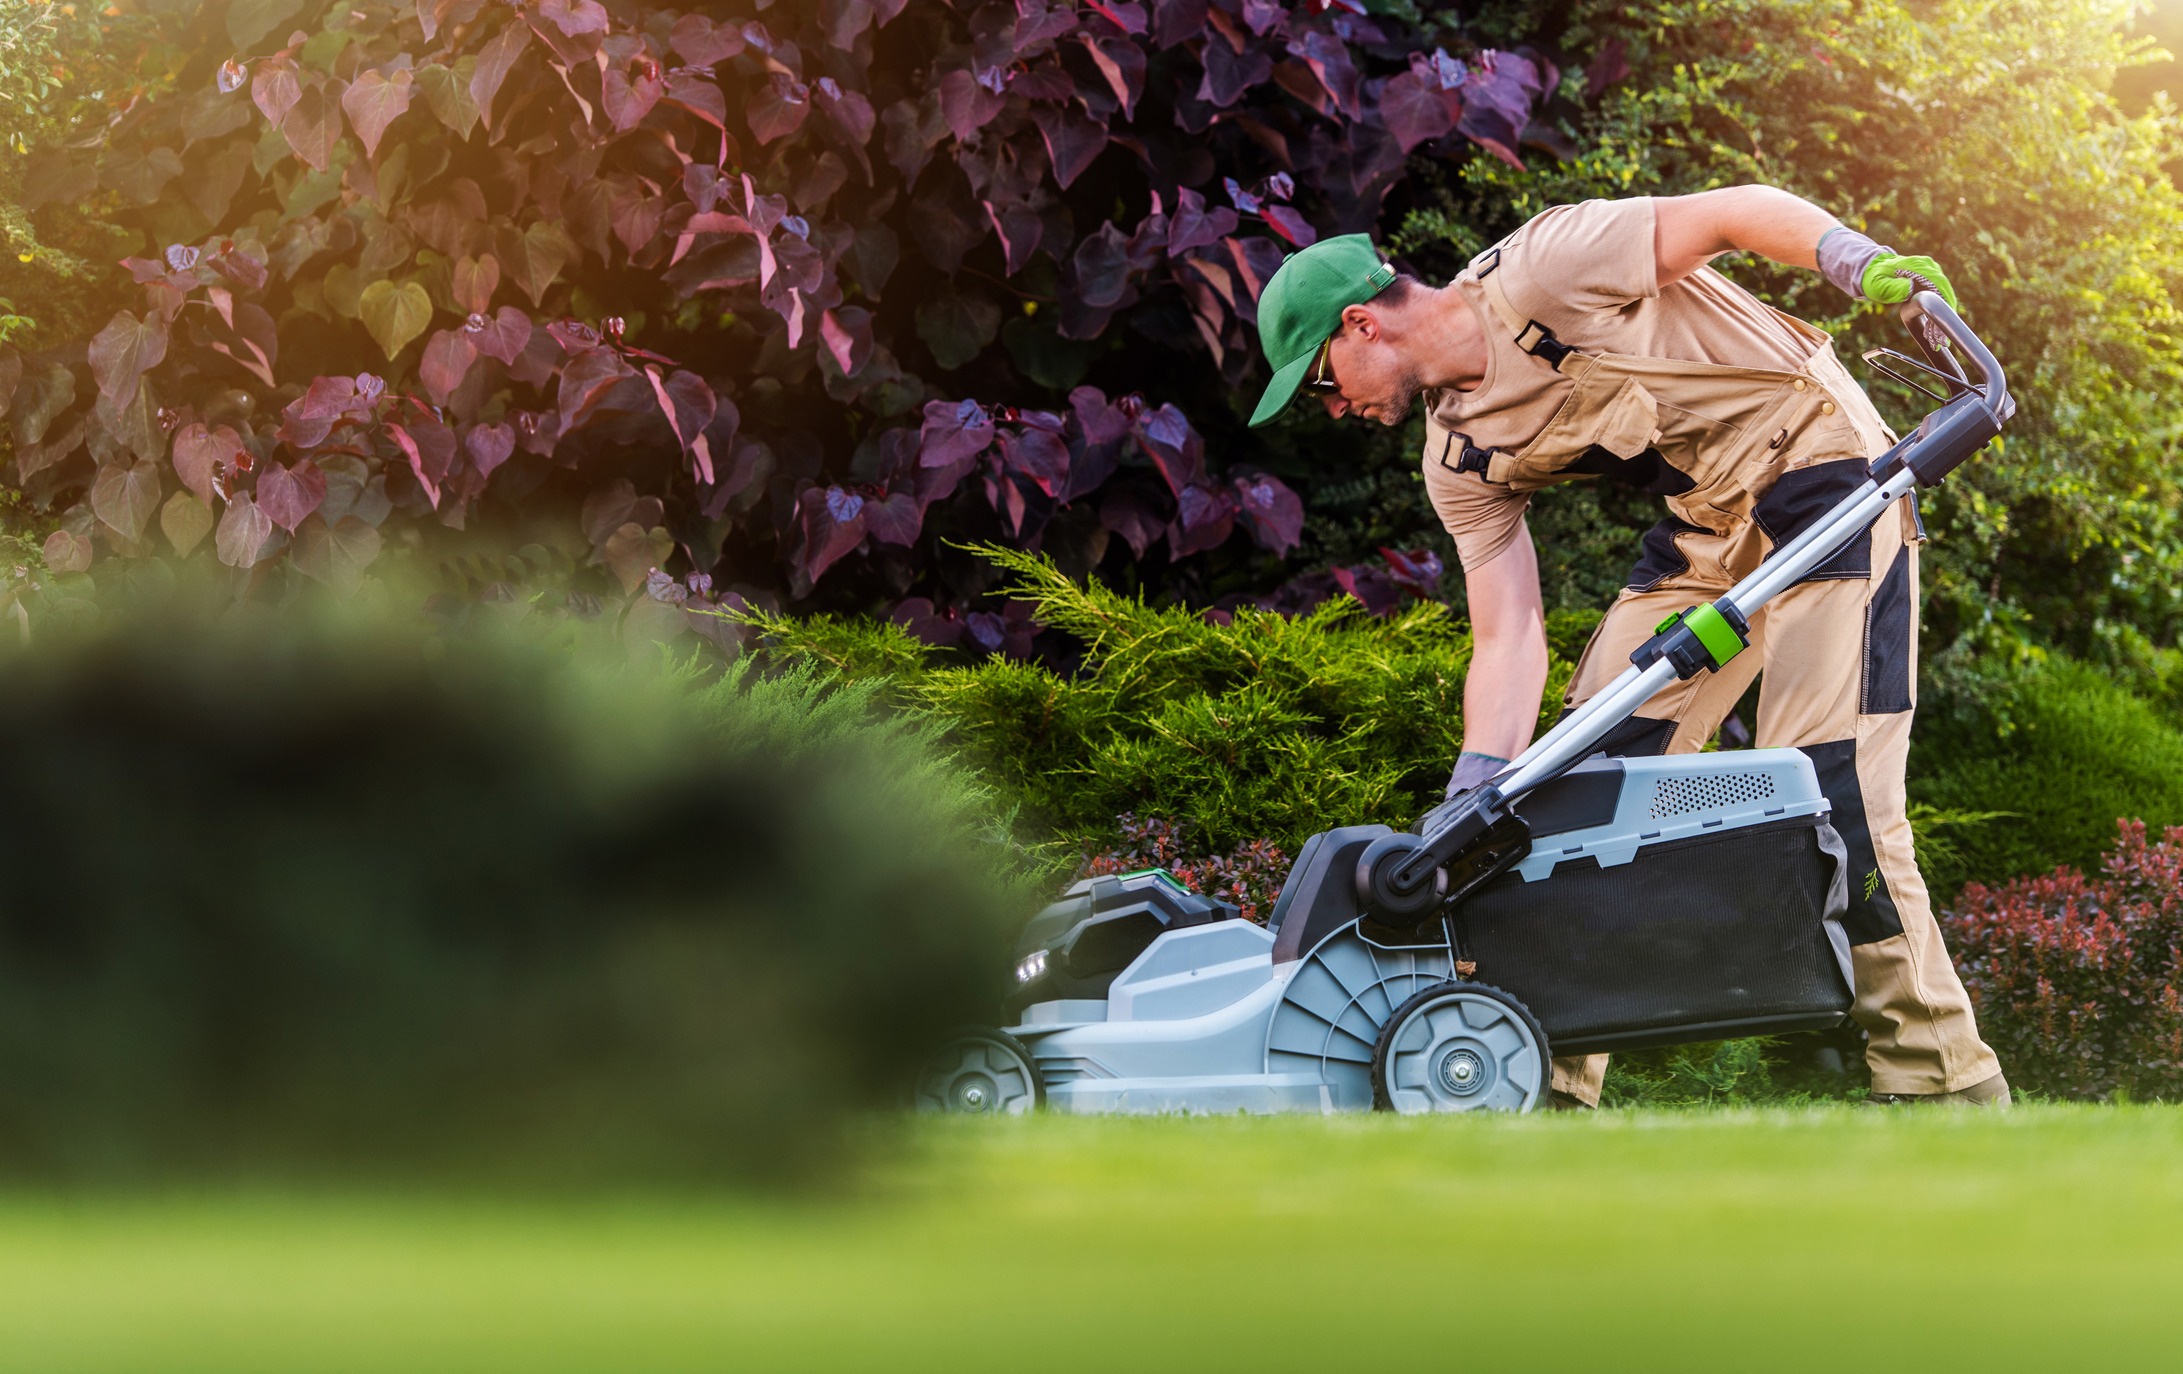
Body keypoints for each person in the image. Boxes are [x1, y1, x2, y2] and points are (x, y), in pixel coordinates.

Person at [1247, 187, 2009, 1108]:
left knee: (1833, 785)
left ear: (1361, 325)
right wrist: (1479, 785)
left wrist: (1854, 260)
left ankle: (1942, 1088)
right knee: (1572, 795)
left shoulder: (1546, 267)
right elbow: (1508, 630)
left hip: (1824, 474)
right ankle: (1543, 1086)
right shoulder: (1458, 455)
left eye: (1321, 383)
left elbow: (1735, 211)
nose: (1332, 410)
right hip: (1708, 532)